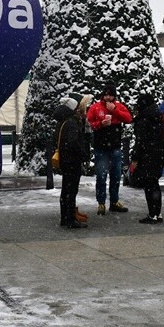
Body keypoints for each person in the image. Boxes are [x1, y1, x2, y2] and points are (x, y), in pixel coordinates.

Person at [87, 83, 133, 215]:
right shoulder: (95, 107)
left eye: (110, 94)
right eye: (106, 94)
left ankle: (114, 201)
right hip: (101, 147)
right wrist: (100, 124)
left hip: (115, 147)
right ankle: (101, 203)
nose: (108, 97)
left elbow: (129, 119)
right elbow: (89, 124)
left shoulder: (118, 106)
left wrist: (114, 110)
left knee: (116, 176)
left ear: (114, 95)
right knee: (101, 176)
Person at [54, 92, 92, 229]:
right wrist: (83, 155)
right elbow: (73, 143)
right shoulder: (71, 123)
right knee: (70, 190)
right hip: (72, 161)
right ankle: (69, 219)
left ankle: (66, 216)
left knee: (66, 189)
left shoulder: (63, 121)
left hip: (66, 160)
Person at [131, 93, 164, 224]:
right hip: (157, 154)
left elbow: (140, 141)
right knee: (155, 184)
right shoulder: (157, 116)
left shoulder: (143, 119)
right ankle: (158, 213)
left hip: (146, 156)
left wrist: (135, 158)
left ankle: (152, 214)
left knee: (149, 185)